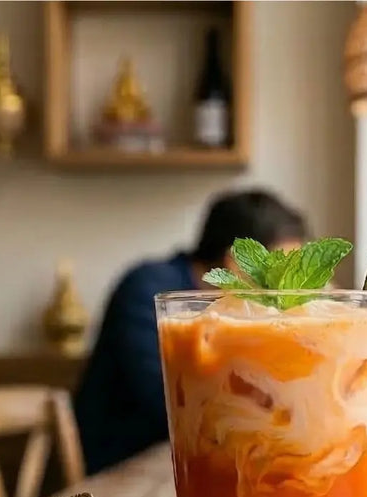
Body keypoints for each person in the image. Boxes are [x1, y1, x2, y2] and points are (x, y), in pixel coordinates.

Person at [73, 189, 308, 474]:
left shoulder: (240, 315)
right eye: (284, 275)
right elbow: (171, 401)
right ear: (238, 263)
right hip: (120, 472)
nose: (289, 294)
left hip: (192, 464)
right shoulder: (151, 290)